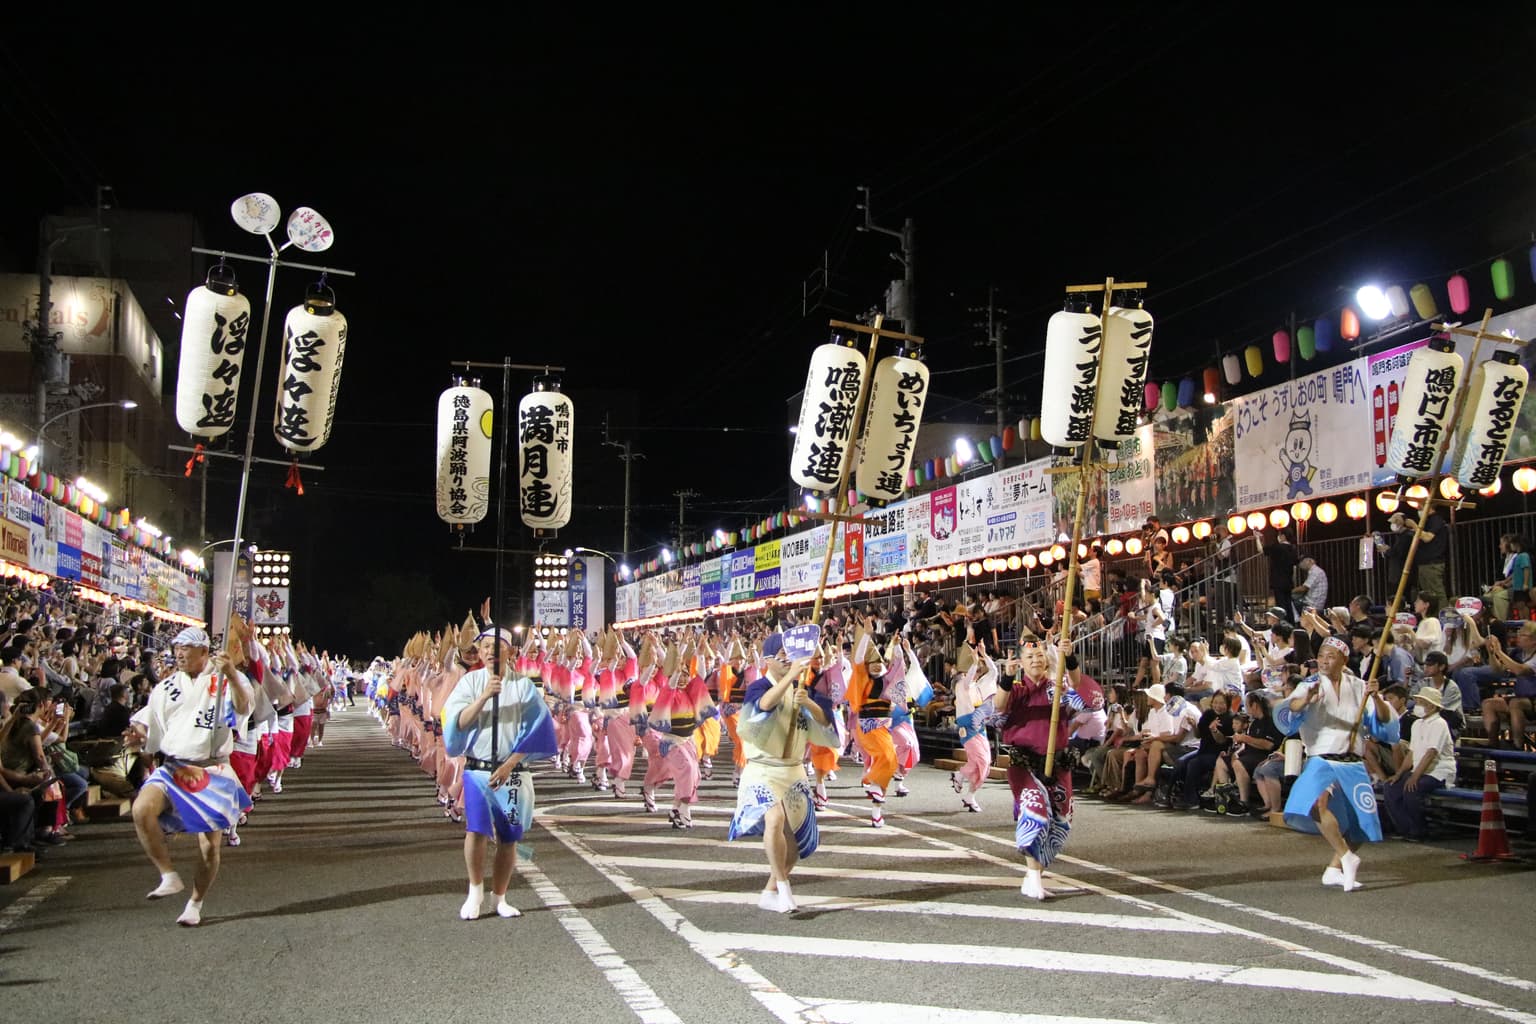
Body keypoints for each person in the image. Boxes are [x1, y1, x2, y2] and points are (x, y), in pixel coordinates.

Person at [125, 627, 255, 926]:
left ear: (204, 652)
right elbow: (151, 725)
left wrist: (233, 675)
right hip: (172, 766)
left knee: (209, 847)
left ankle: (195, 902)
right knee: (141, 809)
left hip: (210, 768)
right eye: (177, 648)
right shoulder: (167, 686)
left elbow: (244, 707)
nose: (179, 654)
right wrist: (139, 737)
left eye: (186, 648)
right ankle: (168, 875)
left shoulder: (224, 678)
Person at [442, 626, 558, 921]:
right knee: (476, 830)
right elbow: (457, 722)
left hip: (513, 772)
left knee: (509, 837)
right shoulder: (470, 682)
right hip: (478, 770)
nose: (491, 652)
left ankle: (500, 897)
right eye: (485, 647)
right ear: (478, 652)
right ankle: (475, 891)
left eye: (498, 646)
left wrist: (509, 765)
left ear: (511, 652)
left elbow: (537, 729)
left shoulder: (523, 685)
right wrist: (483, 697)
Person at [1278, 636, 1397, 893]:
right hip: (1322, 755)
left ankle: (1334, 868)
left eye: (1330, 656)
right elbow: (1294, 705)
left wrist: (1376, 698)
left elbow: (1385, 718)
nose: (1323, 661)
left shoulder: (1359, 686)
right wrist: (1307, 700)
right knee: (1312, 804)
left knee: (1361, 822)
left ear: (1343, 660)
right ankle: (1345, 855)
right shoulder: (1312, 683)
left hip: (1352, 758)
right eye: (1321, 655)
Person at [727, 643, 836, 914]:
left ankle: (770, 891)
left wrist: (807, 701)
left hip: (792, 769)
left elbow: (825, 722)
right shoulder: (758, 686)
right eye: (783, 657)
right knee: (774, 818)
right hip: (762, 768)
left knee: (796, 843)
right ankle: (785, 890)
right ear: (767, 660)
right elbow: (763, 705)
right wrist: (790, 679)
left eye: (791, 657)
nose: (788, 661)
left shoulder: (802, 689)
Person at [998, 639, 1084, 900]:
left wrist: (1069, 659)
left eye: (1040, 655)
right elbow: (999, 705)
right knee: (1035, 810)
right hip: (1025, 764)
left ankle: (1034, 873)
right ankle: (1033, 876)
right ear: (1021, 662)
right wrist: (1007, 678)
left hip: (1058, 761)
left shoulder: (1057, 686)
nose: (1036, 659)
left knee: (1059, 817)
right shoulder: (1017, 689)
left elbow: (1078, 688)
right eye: (1030, 656)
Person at [1382, 688, 1456, 840]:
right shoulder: (1417, 724)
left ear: (1433, 706)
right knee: (1391, 787)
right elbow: (1411, 753)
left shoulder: (1440, 724)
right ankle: (1404, 828)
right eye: (1417, 702)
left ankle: (1419, 830)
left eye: (1422, 703)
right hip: (1420, 770)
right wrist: (1399, 774)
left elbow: (1431, 753)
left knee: (1412, 788)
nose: (1417, 705)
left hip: (1438, 772)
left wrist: (1415, 776)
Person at [1488, 534, 1532, 621]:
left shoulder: (1523, 556)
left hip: (1520, 587)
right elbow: (1515, 573)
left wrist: (1525, 583)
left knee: (1523, 605)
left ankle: (1527, 622)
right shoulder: (1519, 556)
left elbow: (1526, 569)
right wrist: (1504, 582)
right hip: (1517, 587)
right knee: (1520, 606)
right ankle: (1522, 622)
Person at [1415, 508, 1450, 610]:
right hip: (1424, 563)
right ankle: (1432, 614)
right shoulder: (1427, 521)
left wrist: (1414, 525)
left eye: (1420, 507)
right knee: (1427, 594)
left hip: (1433, 563)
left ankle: (1443, 615)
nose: (1419, 510)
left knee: (1437, 593)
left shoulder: (1436, 520)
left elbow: (1427, 537)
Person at [1263, 530, 1300, 620]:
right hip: (1288, 580)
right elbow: (1296, 562)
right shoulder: (1293, 548)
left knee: (1281, 604)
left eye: (1279, 535)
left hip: (1278, 580)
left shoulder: (1278, 547)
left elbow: (1262, 550)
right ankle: (1290, 623)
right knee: (1288, 603)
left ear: (1283, 536)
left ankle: (1283, 623)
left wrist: (1257, 538)